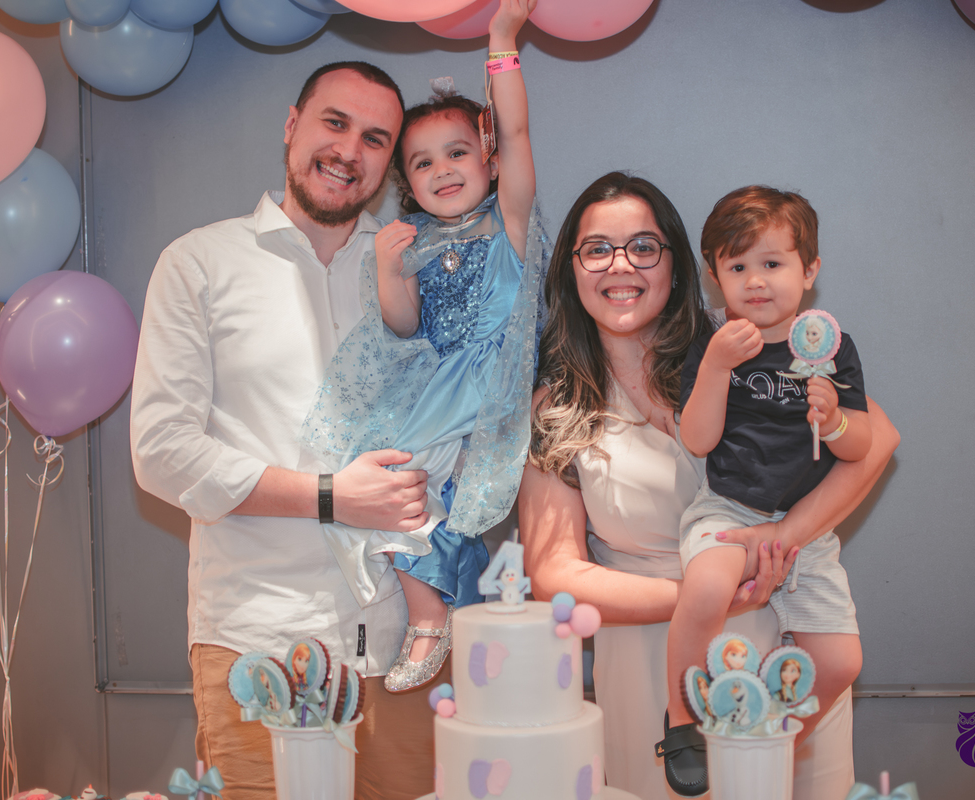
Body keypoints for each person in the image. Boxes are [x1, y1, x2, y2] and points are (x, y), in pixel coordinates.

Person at [519, 172, 900, 800]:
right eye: (597, 249)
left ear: (677, 264)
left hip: (785, 650)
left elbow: (875, 440)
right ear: (571, 268)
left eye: (644, 246)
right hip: (656, 667)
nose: (621, 265)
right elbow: (554, 575)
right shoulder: (555, 406)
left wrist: (783, 538)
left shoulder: (736, 344)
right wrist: (709, 597)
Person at [130, 62, 441, 800]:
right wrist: (332, 496)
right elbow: (163, 454)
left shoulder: (411, 271)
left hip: (402, 650)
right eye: (334, 123)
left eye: (375, 138)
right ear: (291, 125)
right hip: (258, 643)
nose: (348, 151)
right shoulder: (200, 263)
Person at [299, 0, 546, 694]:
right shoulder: (414, 240)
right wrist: (385, 266)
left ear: (491, 160)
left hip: (488, 390)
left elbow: (520, 129)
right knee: (391, 494)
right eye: (423, 162)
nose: (443, 170)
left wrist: (502, 38)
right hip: (436, 391)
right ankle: (443, 617)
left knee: (410, 494)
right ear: (407, 182)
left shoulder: (511, 225)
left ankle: (431, 621)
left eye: (459, 153)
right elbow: (404, 325)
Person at [664, 186, 872, 787]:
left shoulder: (833, 349)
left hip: (808, 525)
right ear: (714, 278)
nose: (755, 281)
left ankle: (760, 737)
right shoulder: (715, 346)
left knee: (841, 659)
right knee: (704, 593)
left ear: (809, 271)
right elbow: (698, 440)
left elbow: (859, 449)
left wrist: (833, 420)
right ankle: (682, 720)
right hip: (727, 507)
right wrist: (716, 367)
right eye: (737, 267)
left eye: (773, 264)